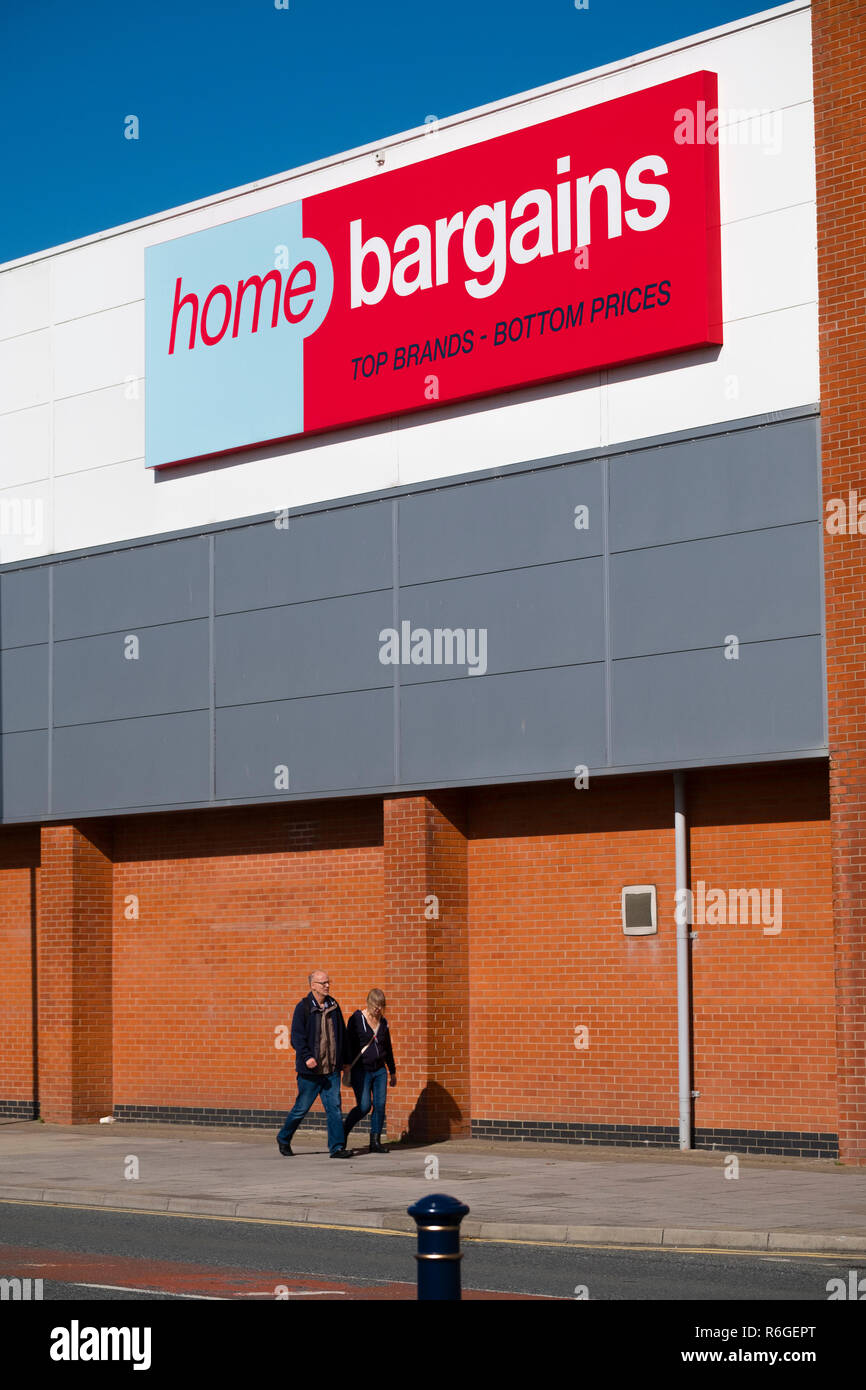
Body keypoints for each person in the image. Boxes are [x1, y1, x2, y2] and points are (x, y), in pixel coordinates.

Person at [276, 970, 351, 1158]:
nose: (327, 985)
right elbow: (297, 1038)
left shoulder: (334, 1006)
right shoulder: (303, 1008)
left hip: (331, 1070)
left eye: (328, 982)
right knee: (301, 1108)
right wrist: (307, 1056)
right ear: (313, 986)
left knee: (334, 1108)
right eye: (322, 983)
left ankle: (337, 1148)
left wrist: (346, 1061)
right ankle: (284, 1138)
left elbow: (342, 1034)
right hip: (311, 1072)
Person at [342, 988, 397, 1153]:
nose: (378, 1009)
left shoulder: (384, 1022)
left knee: (380, 1105)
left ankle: (375, 1141)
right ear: (369, 1003)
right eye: (376, 1005)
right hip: (362, 1070)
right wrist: (346, 1065)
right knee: (364, 1106)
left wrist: (392, 1071)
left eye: (381, 1006)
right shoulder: (357, 1019)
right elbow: (348, 1044)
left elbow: (387, 1047)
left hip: (380, 1070)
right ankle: (343, 1132)